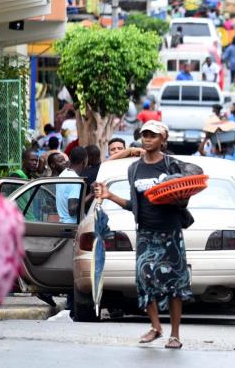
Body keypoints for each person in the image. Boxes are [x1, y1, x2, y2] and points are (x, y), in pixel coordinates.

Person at [94, 120, 198, 349]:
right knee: (144, 280)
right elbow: (134, 205)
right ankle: (155, 327)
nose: (148, 139)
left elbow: (192, 183)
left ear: (163, 139)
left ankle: (175, 335)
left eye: (153, 135)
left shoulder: (171, 165)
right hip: (145, 234)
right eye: (145, 135)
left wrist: (179, 195)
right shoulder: (134, 169)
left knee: (175, 284)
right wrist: (110, 195)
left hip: (170, 232)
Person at [56, 147, 87, 224]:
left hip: (63, 223)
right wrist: (90, 195)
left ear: (70, 158)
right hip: (72, 225)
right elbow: (72, 210)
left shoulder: (63, 174)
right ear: (85, 161)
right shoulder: (75, 180)